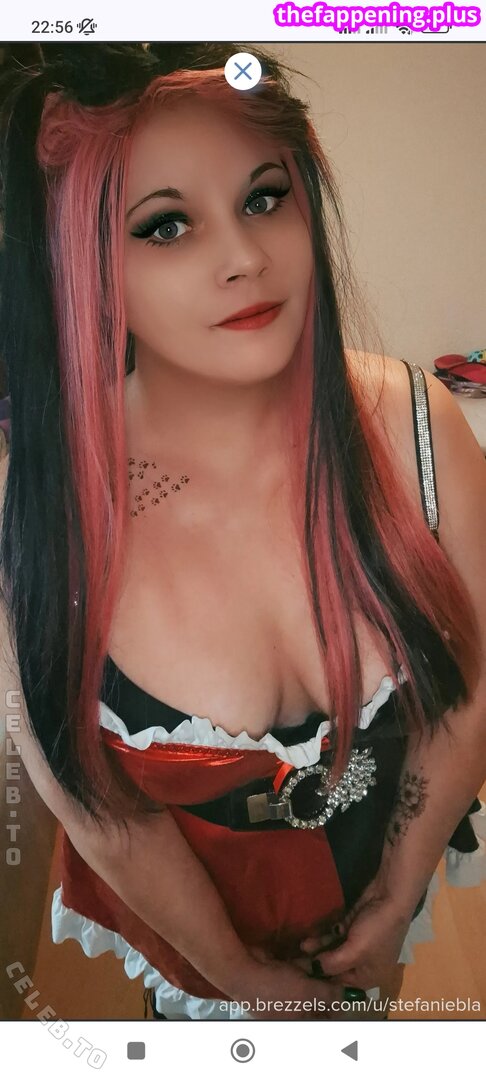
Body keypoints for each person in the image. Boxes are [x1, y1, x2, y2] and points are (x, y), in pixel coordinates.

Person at [0, 42, 485, 1023]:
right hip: (199, 962)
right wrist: (236, 974)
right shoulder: (45, 502)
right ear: (83, 260)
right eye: (167, 224)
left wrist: (393, 901)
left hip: (382, 910)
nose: (246, 258)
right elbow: (98, 808)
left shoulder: (420, 427)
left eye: (264, 198)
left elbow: (473, 686)